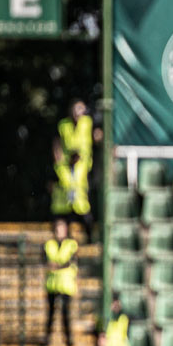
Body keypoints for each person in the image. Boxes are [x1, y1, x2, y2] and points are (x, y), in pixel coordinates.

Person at [51, 100, 95, 243]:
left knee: (83, 208)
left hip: (82, 168)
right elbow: (57, 141)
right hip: (67, 171)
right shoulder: (63, 126)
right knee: (65, 212)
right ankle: (65, 240)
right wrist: (60, 156)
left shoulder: (88, 123)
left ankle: (90, 239)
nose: (78, 113)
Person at [43, 218, 78, 346]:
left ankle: (69, 340)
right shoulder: (49, 244)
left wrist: (56, 265)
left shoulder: (71, 244)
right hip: (52, 285)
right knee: (51, 313)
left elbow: (71, 262)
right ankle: (47, 339)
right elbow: (45, 261)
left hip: (66, 285)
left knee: (65, 314)